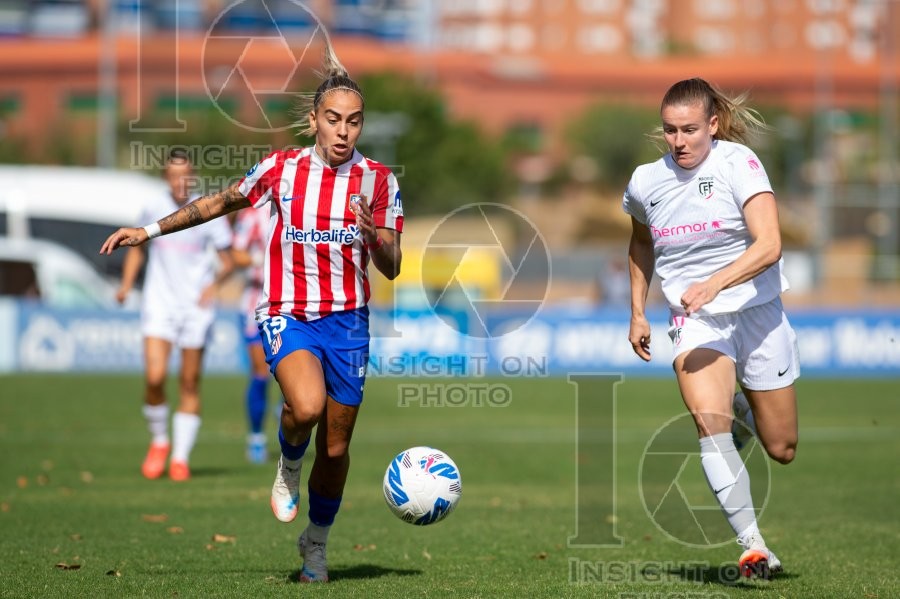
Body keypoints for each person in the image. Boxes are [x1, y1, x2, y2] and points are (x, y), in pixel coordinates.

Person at [101, 43, 403, 583]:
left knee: (336, 448)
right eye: (333, 119)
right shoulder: (282, 169)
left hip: (349, 323)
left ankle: (316, 543)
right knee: (305, 408)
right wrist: (147, 231)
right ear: (314, 121)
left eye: (353, 122)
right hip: (288, 312)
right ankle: (288, 463)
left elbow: (394, 264)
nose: (343, 131)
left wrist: (373, 237)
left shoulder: (379, 181)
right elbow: (218, 203)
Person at [624, 77, 799, 579]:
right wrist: (637, 311)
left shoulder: (738, 163)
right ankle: (753, 546)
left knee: (782, 447)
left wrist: (715, 283)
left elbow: (770, 244)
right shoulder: (645, 182)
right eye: (670, 130)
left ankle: (744, 408)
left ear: (714, 125)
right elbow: (641, 243)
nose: (679, 141)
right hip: (694, 319)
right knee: (707, 421)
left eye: (690, 130)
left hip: (757, 312)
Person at [115, 149, 235, 482]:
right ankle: (159, 441)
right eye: (174, 176)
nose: (181, 182)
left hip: (196, 308)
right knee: (155, 378)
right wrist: (126, 285)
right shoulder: (153, 207)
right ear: (165, 178)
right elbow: (137, 249)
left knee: (189, 381)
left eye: (186, 175)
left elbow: (228, 261)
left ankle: (180, 458)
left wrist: (213, 286)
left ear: (192, 177)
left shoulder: (208, 210)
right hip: (159, 302)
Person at [231, 203, 276, 463]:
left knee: (296, 370)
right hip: (256, 305)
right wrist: (263, 259)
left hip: (293, 304)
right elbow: (236, 254)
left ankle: (287, 408)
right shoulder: (252, 214)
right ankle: (256, 438)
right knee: (261, 372)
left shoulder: (303, 202)